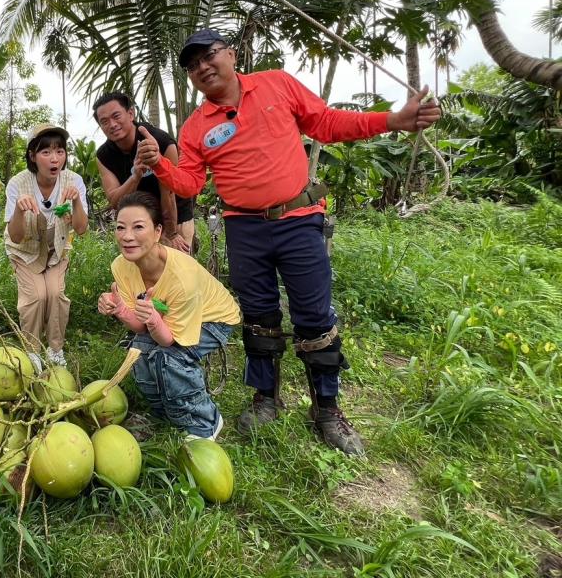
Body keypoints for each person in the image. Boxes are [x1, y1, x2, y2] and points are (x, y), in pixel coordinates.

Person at [136, 28, 442, 455]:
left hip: (298, 220)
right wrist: (160, 168)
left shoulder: (277, 84)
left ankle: (328, 409)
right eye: (192, 65)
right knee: (259, 316)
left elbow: (328, 123)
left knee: (315, 315)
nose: (202, 67)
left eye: (208, 55)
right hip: (244, 228)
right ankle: (266, 398)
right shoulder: (194, 128)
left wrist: (393, 120)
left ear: (232, 54)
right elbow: (190, 181)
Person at [98, 192, 239, 440]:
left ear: (157, 232)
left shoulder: (182, 277)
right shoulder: (121, 265)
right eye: (121, 227)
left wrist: (153, 319)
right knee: (139, 351)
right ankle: (164, 412)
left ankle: (205, 421)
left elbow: (168, 341)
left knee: (169, 359)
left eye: (138, 227)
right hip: (170, 316)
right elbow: (141, 328)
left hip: (214, 318)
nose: (127, 236)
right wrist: (120, 309)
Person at [4, 124, 88, 369]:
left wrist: (76, 203)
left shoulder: (74, 181)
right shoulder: (18, 184)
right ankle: (31, 352)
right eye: (46, 152)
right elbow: (16, 237)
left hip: (57, 251)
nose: (54, 159)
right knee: (36, 297)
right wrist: (20, 209)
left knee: (55, 294)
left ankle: (54, 349)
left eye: (59, 151)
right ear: (32, 155)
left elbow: (81, 229)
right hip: (25, 252)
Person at [94, 92, 194, 253]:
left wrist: (172, 233)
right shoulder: (103, 156)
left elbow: (168, 194)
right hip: (139, 219)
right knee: (145, 272)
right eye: (104, 121)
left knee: (179, 268)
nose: (112, 124)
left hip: (176, 213)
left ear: (131, 113)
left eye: (116, 116)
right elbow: (114, 201)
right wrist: (135, 177)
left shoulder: (161, 142)